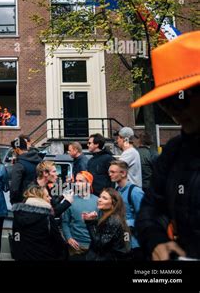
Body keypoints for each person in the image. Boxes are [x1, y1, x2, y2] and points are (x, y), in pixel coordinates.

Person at [132, 31, 200, 260]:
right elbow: (152, 207)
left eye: (180, 99)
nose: (172, 110)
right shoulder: (173, 152)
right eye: (164, 102)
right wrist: (156, 240)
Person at [12, 185, 68, 260]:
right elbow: (57, 241)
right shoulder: (47, 217)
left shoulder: (18, 215)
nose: (50, 198)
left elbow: (16, 237)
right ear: (40, 199)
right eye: (47, 196)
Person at [108, 160, 144, 260]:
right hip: (120, 242)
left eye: (113, 172)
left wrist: (124, 223)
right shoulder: (117, 191)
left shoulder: (135, 192)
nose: (110, 174)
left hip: (134, 244)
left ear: (123, 173)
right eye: (109, 172)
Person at [82, 188, 131, 261]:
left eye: (104, 198)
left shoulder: (113, 220)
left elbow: (99, 244)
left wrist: (90, 222)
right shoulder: (105, 215)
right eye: (100, 197)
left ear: (113, 203)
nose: (99, 200)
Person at [62, 171, 98, 260]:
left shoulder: (98, 201)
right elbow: (65, 222)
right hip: (75, 246)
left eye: (81, 181)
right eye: (76, 181)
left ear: (89, 184)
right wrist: (68, 238)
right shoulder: (70, 200)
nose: (77, 184)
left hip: (93, 245)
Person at [10, 136, 43, 204]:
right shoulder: (39, 160)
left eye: (13, 150)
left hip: (23, 202)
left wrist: (14, 201)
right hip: (39, 199)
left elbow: (14, 188)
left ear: (17, 149)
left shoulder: (19, 165)